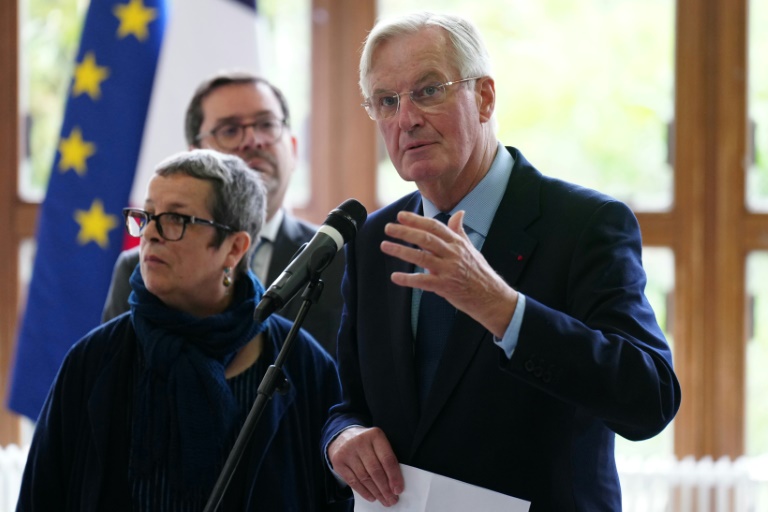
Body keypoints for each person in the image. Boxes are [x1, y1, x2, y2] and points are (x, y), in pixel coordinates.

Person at [321, 11, 681, 511]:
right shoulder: (373, 240)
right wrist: (342, 437)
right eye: (386, 101)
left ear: (485, 97)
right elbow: (350, 403)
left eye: (428, 90)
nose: (406, 119)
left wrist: (504, 309)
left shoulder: (584, 225)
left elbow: (649, 399)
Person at [18, 150, 351, 511]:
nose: (149, 234)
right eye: (146, 217)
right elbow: (41, 498)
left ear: (234, 248)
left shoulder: (300, 363)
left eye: (175, 219)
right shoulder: (93, 360)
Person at [102, 71, 344, 356]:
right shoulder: (141, 269)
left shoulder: (341, 261)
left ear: (292, 147)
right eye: (230, 130)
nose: (253, 140)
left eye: (266, 125)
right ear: (195, 158)